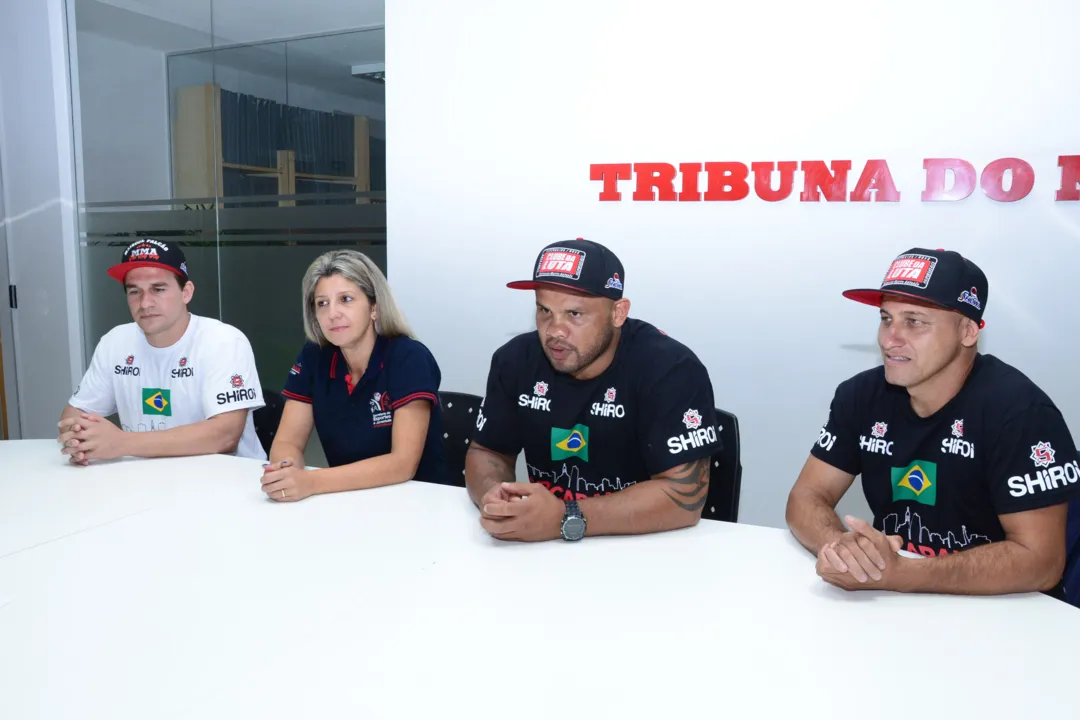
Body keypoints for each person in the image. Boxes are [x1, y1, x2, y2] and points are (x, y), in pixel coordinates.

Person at [786, 247, 1080, 598]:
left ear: (968, 332)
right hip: (897, 602)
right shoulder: (860, 395)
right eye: (885, 318)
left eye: (914, 321)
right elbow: (806, 495)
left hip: (1006, 613)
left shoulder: (1020, 412)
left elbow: (1042, 563)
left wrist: (903, 574)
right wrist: (843, 550)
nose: (889, 338)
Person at [466, 238, 722, 542]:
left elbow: (684, 497)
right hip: (542, 552)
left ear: (618, 313)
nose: (554, 331)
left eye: (575, 314)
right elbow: (487, 452)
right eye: (544, 310)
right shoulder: (514, 360)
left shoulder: (671, 369)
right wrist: (494, 497)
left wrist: (567, 516)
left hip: (648, 551)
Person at [261, 249, 449, 501]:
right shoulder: (314, 357)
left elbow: (402, 464)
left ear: (374, 307)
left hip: (418, 503)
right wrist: (287, 470)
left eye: (346, 299)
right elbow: (287, 442)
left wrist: (311, 481)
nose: (333, 313)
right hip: (347, 500)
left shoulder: (408, 356)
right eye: (322, 303)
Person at [58, 238, 266, 464]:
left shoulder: (223, 341)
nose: (145, 303)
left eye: (158, 289)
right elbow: (72, 416)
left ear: (186, 292)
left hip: (224, 483)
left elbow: (225, 436)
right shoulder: (115, 342)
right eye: (134, 291)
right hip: (143, 482)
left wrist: (121, 442)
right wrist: (80, 441)